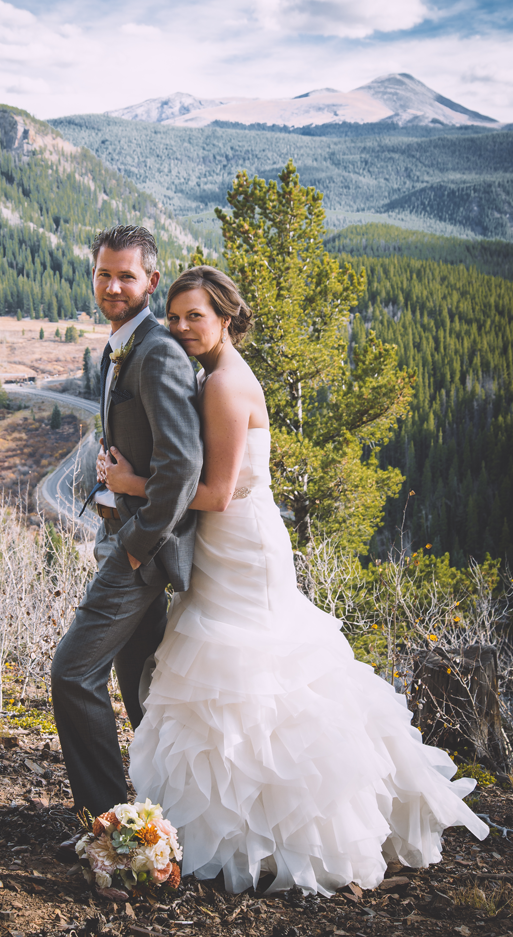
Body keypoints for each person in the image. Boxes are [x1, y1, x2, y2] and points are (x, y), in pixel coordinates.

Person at [97, 264, 488, 897]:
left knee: (254, 678)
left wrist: (131, 485)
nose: (180, 327)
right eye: (173, 317)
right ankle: (240, 825)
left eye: (195, 315)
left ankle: (277, 831)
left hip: (240, 548)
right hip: (234, 546)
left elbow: (219, 494)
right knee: (235, 680)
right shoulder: (215, 373)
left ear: (226, 318)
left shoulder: (224, 384)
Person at [51, 225, 202, 825]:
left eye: (127, 276)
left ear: (152, 282)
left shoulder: (157, 351)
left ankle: (111, 824)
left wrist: (137, 546)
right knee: (144, 690)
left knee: (72, 674)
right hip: (123, 536)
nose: (113, 286)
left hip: (141, 548)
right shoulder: (125, 344)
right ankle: (169, 811)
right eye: (104, 274)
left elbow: (183, 467)